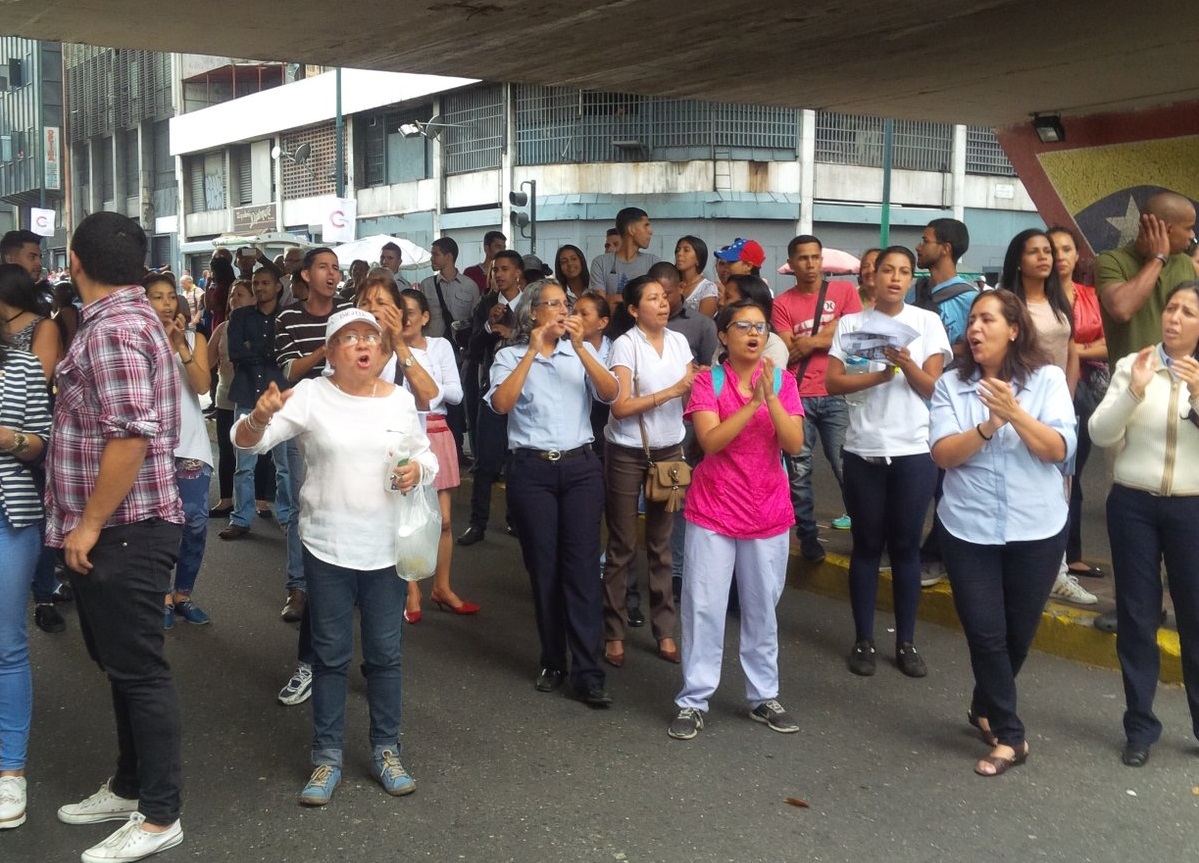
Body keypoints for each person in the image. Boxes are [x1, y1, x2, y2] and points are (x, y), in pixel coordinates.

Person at [234, 307, 437, 805]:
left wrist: (419, 472)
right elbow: (250, 442)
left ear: (383, 350)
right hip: (327, 547)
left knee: (385, 658)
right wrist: (259, 416)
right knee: (329, 657)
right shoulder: (311, 396)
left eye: (370, 336)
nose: (362, 344)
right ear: (331, 350)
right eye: (349, 338)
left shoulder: (399, 402)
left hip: (385, 549)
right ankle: (326, 759)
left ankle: (387, 750)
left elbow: (425, 454)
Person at [48, 212, 187, 862]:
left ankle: (160, 815)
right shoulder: (126, 321)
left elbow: (129, 436)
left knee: (140, 672)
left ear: (75, 261)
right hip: (121, 529)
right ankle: (131, 785)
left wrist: (91, 522)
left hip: (127, 531)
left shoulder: (114, 330)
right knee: (123, 668)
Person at [929, 289, 1076, 777]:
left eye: (987, 320)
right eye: (971, 321)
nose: (975, 329)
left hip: (1037, 528)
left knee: (1017, 634)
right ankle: (1011, 737)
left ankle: (983, 704)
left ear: (1014, 329)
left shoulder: (1048, 379)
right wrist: (989, 426)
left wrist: (1015, 414)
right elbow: (944, 454)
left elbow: (1057, 450)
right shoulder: (952, 386)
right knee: (986, 633)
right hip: (968, 529)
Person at [667, 300, 805, 741]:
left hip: (768, 510)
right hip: (713, 509)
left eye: (761, 327)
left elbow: (795, 443)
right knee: (703, 606)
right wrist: (753, 404)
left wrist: (772, 399)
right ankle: (693, 700)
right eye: (743, 326)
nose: (753, 333)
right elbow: (710, 441)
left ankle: (764, 695)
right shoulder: (708, 381)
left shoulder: (783, 380)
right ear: (723, 336)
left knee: (762, 607)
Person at [487, 278, 619, 707]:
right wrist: (533, 350)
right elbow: (502, 404)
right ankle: (552, 659)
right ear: (533, 313)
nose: (565, 311)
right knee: (544, 568)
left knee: (581, 570)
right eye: (555, 304)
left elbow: (610, 393)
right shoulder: (508, 355)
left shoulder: (582, 351)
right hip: (531, 470)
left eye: (569, 305)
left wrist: (581, 348)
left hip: (580, 468)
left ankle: (588, 671)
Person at [825, 246, 951, 677]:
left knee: (905, 548)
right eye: (887, 271)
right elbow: (832, 382)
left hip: (914, 452)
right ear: (871, 277)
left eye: (904, 272)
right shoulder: (850, 323)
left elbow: (933, 388)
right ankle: (864, 640)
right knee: (865, 546)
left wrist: (905, 363)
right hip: (862, 450)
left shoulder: (926, 323)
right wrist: (879, 375)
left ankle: (906, 642)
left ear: (913, 279)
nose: (895, 278)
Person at [1089, 281, 1199, 768]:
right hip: (1133, 503)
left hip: (1191, 507)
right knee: (1137, 617)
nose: (1173, 318)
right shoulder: (1135, 365)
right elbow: (1100, 432)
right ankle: (1139, 726)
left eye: (1188, 312)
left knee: (1195, 619)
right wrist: (1134, 389)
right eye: (1171, 308)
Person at [1092, 191, 1198, 634]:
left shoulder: (1184, 265)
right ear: (1160, 227)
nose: (1192, 237)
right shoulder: (1111, 262)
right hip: (1130, 391)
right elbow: (1121, 307)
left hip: (1181, 391)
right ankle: (1136, 607)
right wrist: (1155, 258)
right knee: (1131, 515)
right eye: (1186, 229)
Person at [358, 280, 478, 621]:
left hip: (435, 434)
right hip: (396, 438)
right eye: (401, 312)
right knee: (403, 519)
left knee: (442, 520)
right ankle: (411, 588)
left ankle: (441, 586)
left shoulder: (435, 349)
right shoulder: (371, 350)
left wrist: (422, 384)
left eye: (409, 312)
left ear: (424, 317)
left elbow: (448, 395)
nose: (404, 318)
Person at [601, 276, 696, 668]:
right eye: (652, 298)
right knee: (622, 545)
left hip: (670, 449)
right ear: (635, 310)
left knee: (661, 544)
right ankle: (614, 631)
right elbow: (619, 407)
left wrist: (694, 386)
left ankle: (665, 629)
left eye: (665, 296)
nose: (662, 303)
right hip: (626, 451)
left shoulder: (679, 341)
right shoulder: (625, 345)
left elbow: (692, 388)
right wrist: (672, 391)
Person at [998, 228, 1095, 605]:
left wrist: (1066, 404)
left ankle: (1058, 573)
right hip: (1018, 410)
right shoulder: (1006, 303)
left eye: (1048, 252)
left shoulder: (1059, 299)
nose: (1045, 257)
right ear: (1018, 260)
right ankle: (1014, 568)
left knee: (1061, 492)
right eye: (1034, 251)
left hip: (1058, 412)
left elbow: (1070, 353)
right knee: (1019, 490)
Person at [772, 234, 861, 559]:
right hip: (797, 396)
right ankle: (808, 536)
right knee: (800, 471)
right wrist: (830, 332)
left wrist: (809, 340)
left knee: (846, 468)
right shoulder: (782, 303)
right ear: (792, 263)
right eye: (803, 258)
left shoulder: (845, 291)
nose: (810, 264)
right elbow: (787, 349)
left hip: (836, 391)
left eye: (815, 257)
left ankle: (864, 535)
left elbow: (852, 337)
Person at [0, 323, 52, 830]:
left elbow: (43, 443)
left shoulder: (20, 365)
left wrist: (9, 437)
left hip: (8, 519)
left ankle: (9, 770)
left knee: (7, 645)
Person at [910, 218, 979, 586]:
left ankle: (939, 554)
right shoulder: (915, 291)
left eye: (926, 241)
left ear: (946, 248)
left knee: (947, 484)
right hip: (913, 398)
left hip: (952, 398)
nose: (919, 247)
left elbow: (975, 347)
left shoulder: (969, 297)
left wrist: (938, 350)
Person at [143, 274, 214, 629]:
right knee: (155, 528)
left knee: (196, 524)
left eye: (171, 296)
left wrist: (181, 347)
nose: (168, 303)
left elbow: (202, 386)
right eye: (157, 297)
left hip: (191, 446)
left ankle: (183, 593)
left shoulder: (193, 338)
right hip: (150, 448)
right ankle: (159, 597)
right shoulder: (137, 341)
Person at [0, 263, 66, 634]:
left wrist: (11, 439)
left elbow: (38, 432)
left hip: (11, 503)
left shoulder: (29, 350)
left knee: (8, 643)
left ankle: (44, 593)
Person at [1048, 226, 1108, 580]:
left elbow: (1109, 342)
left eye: (1066, 249)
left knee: (1073, 474)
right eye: (1051, 249)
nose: (1058, 257)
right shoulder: (1033, 297)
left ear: (1076, 256)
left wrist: (1075, 350)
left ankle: (1072, 554)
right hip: (1042, 388)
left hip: (1084, 391)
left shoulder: (1090, 296)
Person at [221, 268, 293, 545]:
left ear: (278, 287)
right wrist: (265, 353)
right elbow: (236, 353)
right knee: (245, 464)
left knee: (284, 465)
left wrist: (256, 350)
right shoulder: (239, 316)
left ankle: (286, 516)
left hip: (281, 398)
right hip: (248, 394)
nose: (260, 288)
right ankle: (241, 518)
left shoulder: (287, 317)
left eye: (265, 283)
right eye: (256, 284)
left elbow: (285, 354)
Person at [459, 250, 526, 546]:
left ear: (518, 274)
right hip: (491, 388)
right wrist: (487, 327)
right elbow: (472, 349)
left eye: (505, 269)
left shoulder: (531, 304)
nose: (498, 274)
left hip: (526, 392)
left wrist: (511, 332)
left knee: (519, 461)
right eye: (495, 270)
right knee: (486, 460)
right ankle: (477, 523)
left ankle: (517, 520)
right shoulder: (487, 304)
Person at [207, 280, 260, 516]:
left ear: (253, 299)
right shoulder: (223, 328)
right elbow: (206, 362)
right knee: (227, 452)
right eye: (231, 295)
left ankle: (260, 500)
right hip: (225, 397)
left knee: (259, 452)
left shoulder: (262, 325)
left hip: (254, 400)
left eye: (240, 294)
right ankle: (226, 499)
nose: (234, 299)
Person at [589, 207, 660, 297]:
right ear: (631, 230)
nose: (650, 231)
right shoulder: (600, 263)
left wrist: (613, 298)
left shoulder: (653, 262)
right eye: (646, 225)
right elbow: (600, 305)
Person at [675, 236, 718, 317]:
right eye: (678, 250)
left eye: (686, 250)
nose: (679, 254)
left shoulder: (707, 288)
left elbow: (703, 324)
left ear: (698, 259)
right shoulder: (673, 284)